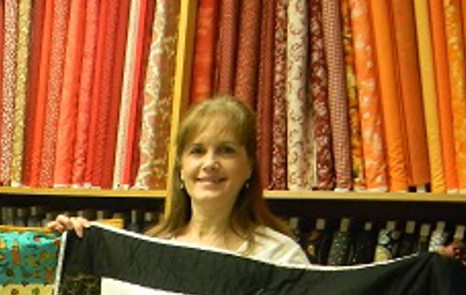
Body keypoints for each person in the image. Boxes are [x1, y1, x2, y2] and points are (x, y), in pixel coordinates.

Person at [49, 95, 309, 266]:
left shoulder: (280, 257)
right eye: (197, 151)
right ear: (181, 169)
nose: (209, 163)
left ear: (249, 167)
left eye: (226, 150)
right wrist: (75, 245)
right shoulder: (150, 254)